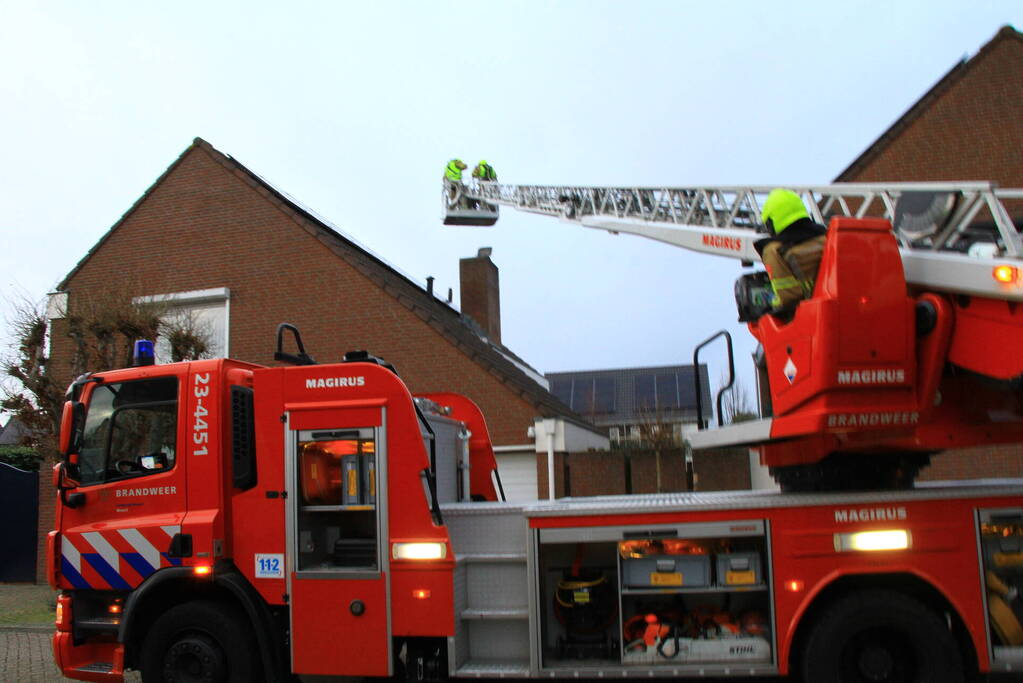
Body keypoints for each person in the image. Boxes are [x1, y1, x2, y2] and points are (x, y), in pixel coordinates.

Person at [754, 189, 827, 316]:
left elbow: (788, 298)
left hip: (813, 316)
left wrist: (771, 306)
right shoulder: (827, 237)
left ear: (770, 223)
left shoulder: (773, 251)